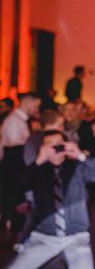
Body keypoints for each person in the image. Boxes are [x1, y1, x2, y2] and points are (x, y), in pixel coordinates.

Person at [2, 131, 95, 269]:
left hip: (75, 236)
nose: (55, 149)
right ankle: (53, 254)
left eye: (59, 145)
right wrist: (39, 160)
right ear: (42, 149)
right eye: (49, 145)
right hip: (44, 237)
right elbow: (18, 187)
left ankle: (67, 255)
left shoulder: (77, 167)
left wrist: (79, 154)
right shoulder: (37, 170)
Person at [0, 92, 41, 230]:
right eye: (36, 106)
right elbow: (13, 146)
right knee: (11, 195)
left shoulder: (22, 120)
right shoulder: (13, 121)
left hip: (17, 163)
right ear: (28, 103)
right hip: (13, 165)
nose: (37, 110)